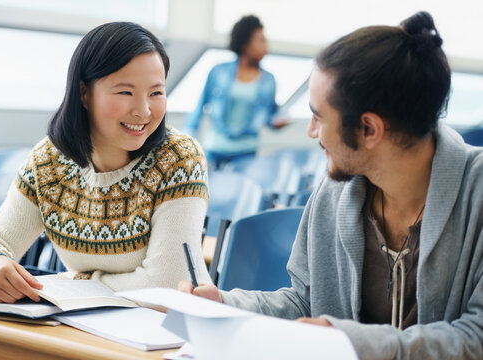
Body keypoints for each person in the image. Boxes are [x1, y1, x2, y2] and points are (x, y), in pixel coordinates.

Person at [180, 11, 483, 359]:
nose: (311, 132)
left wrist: (349, 341)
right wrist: (225, 303)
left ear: (368, 129)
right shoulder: (332, 191)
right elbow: (304, 302)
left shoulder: (477, 193)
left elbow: (477, 337)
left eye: (319, 117)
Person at [0, 22, 211, 304]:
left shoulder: (179, 158)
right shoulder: (49, 162)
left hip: (167, 333)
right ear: (84, 93)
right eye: (125, 92)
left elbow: (167, 285)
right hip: (86, 325)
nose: (143, 110)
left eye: (156, 92)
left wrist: (73, 284)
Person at [184, 15, 289, 170]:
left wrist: (276, 122)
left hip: (246, 152)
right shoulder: (218, 72)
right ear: (245, 44)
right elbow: (199, 108)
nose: (267, 47)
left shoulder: (269, 80)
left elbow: (270, 116)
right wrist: (187, 145)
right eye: (260, 40)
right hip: (215, 149)